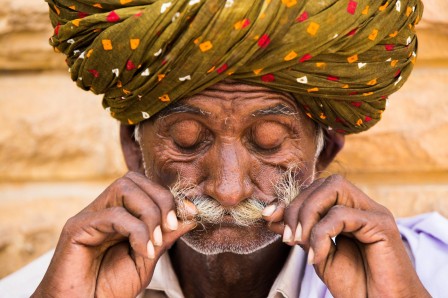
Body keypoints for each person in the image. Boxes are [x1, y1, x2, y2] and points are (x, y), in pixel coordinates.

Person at [1, 0, 448, 297]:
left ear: (325, 148)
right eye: (187, 140)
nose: (229, 190)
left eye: (270, 141)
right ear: (133, 147)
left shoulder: (427, 275)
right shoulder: (53, 288)